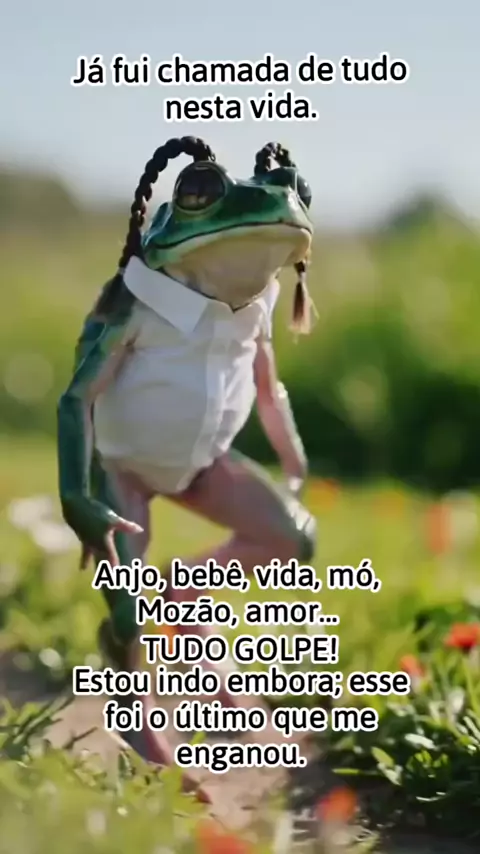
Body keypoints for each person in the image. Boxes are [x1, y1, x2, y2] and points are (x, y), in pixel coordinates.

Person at [57, 136, 317, 800]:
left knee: (291, 539)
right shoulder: (135, 303)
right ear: (170, 219)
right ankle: (138, 724)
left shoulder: (256, 303)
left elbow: (266, 388)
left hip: (204, 462)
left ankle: (185, 594)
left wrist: (291, 454)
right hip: (126, 471)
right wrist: (76, 496)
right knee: (127, 611)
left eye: (296, 193)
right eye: (201, 193)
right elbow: (76, 399)